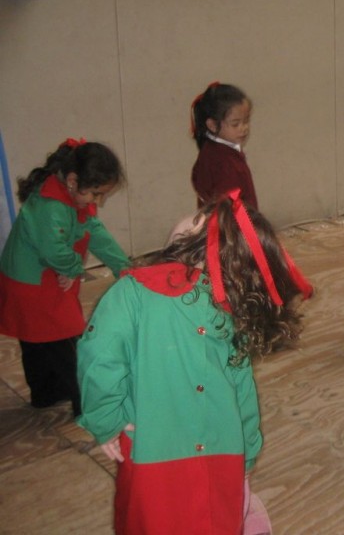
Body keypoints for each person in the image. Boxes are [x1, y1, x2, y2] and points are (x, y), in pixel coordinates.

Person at [77, 190, 309, 534]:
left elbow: (98, 357)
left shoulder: (130, 292)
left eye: (200, 218)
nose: (193, 215)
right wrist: (247, 452)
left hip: (151, 451)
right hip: (223, 451)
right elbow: (242, 391)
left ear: (199, 244)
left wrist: (106, 420)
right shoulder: (229, 306)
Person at [0, 139, 129, 417]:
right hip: (32, 286)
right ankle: (88, 405)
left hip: (35, 280)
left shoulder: (72, 197)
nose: (98, 201)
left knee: (37, 341)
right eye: (96, 194)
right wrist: (72, 269)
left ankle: (45, 393)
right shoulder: (49, 205)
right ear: (72, 181)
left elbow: (96, 234)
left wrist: (124, 267)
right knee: (69, 344)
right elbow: (54, 250)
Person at [191, 82, 259, 208]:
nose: (244, 128)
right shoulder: (224, 163)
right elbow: (232, 209)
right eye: (235, 124)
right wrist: (250, 222)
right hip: (231, 220)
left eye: (246, 121)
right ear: (212, 125)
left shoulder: (210, 150)